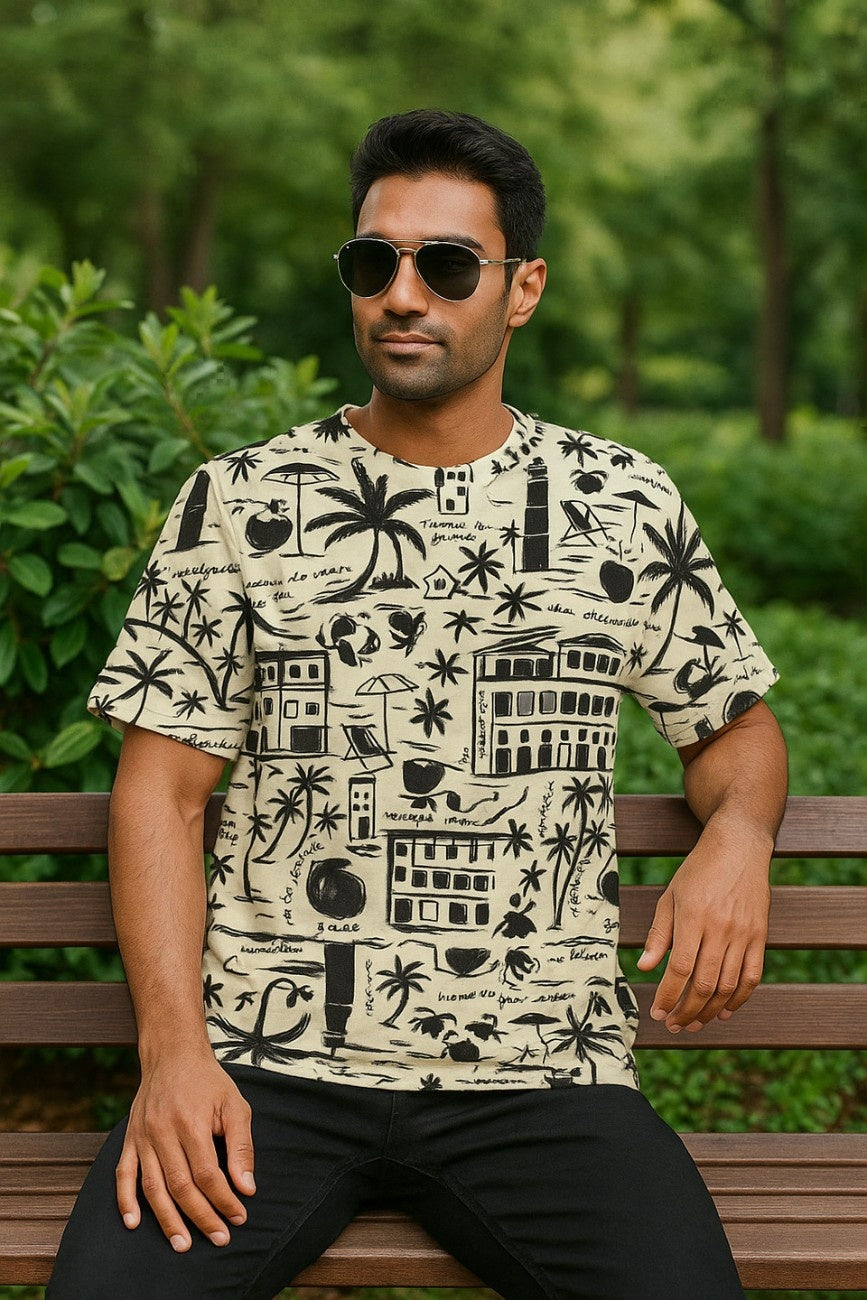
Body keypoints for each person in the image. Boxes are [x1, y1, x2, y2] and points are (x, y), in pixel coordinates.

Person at [48, 109, 787, 1299]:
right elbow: (161, 790)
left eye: (446, 264)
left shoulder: (622, 502)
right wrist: (174, 1051)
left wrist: (741, 832)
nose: (404, 293)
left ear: (523, 287)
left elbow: (736, 728)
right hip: (263, 1071)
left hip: (545, 1075)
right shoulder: (239, 502)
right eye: (372, 261)